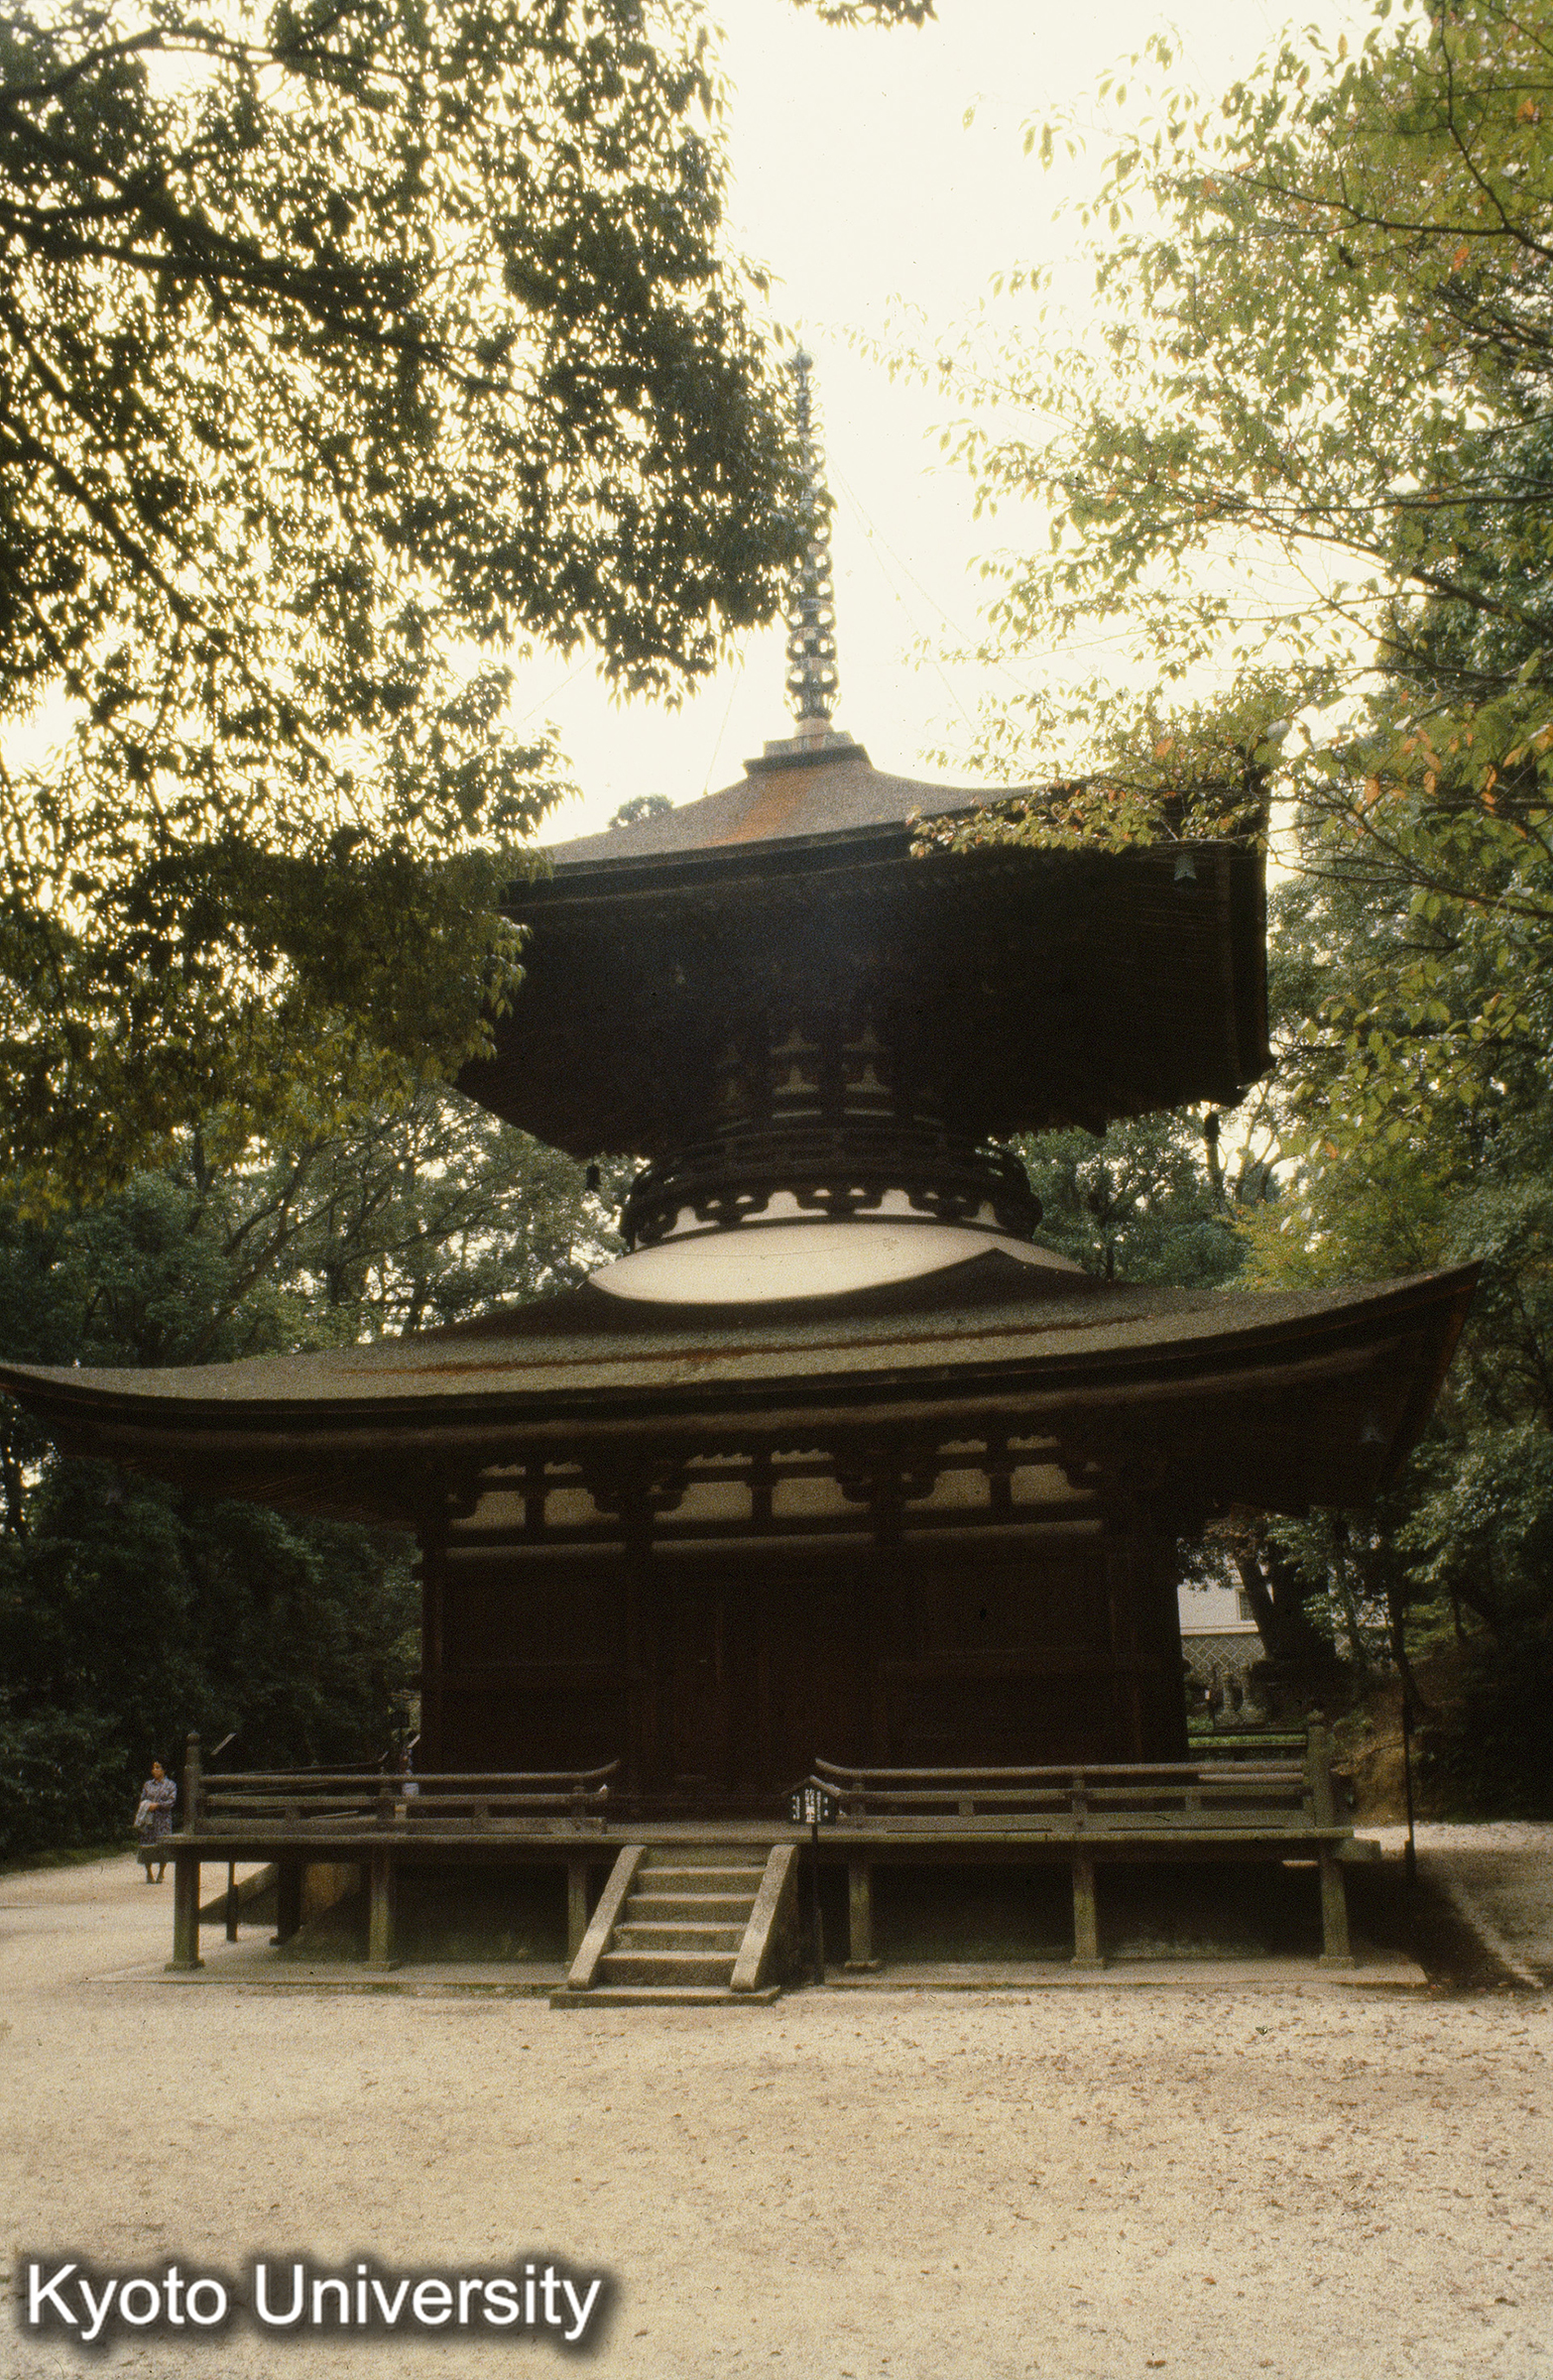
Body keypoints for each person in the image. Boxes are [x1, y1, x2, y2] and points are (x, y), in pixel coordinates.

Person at [134, 1759, 177, 1884]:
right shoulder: (147, 1785)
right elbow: (142, 1799)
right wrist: (146, 1806)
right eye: (153, 1768)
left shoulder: (170, 1785)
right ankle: (148, 1872)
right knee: (147, 1844)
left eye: (158, 1768)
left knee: (162, 1845)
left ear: (163, 1770)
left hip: (163, 1819)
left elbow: (171, 1801)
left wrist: (158, 1805)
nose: (155, 1770)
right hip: (149, 1820)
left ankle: (161, 1872)